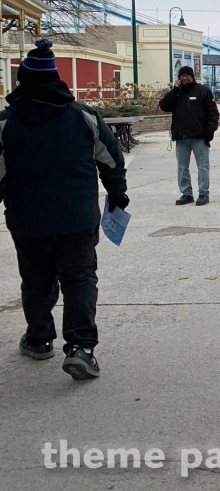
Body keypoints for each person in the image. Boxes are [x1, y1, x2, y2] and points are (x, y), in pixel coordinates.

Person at [1, 39, 128, 380]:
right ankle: (81, 348)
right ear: (58, 79)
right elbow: (111, 160)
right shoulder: (83, 117)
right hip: (77, 217)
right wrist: (117, 193)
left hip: (28, 221)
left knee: (36, 279)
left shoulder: (6, 123)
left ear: (22, 81)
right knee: (80, 278)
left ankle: (39, 339)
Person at [159, 65, 219, 206]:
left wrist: (210, 132)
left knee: (202, 167)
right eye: (182, 76)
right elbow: (164, 106)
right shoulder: (176, 93)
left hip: (200, 137)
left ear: (192, 76)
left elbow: (213, 113)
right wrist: (174, 91)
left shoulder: (203, 91)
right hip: (181, 137)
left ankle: (203, 193)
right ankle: (186, 193)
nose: (184, 78)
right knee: (182, 167)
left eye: (187, 75)